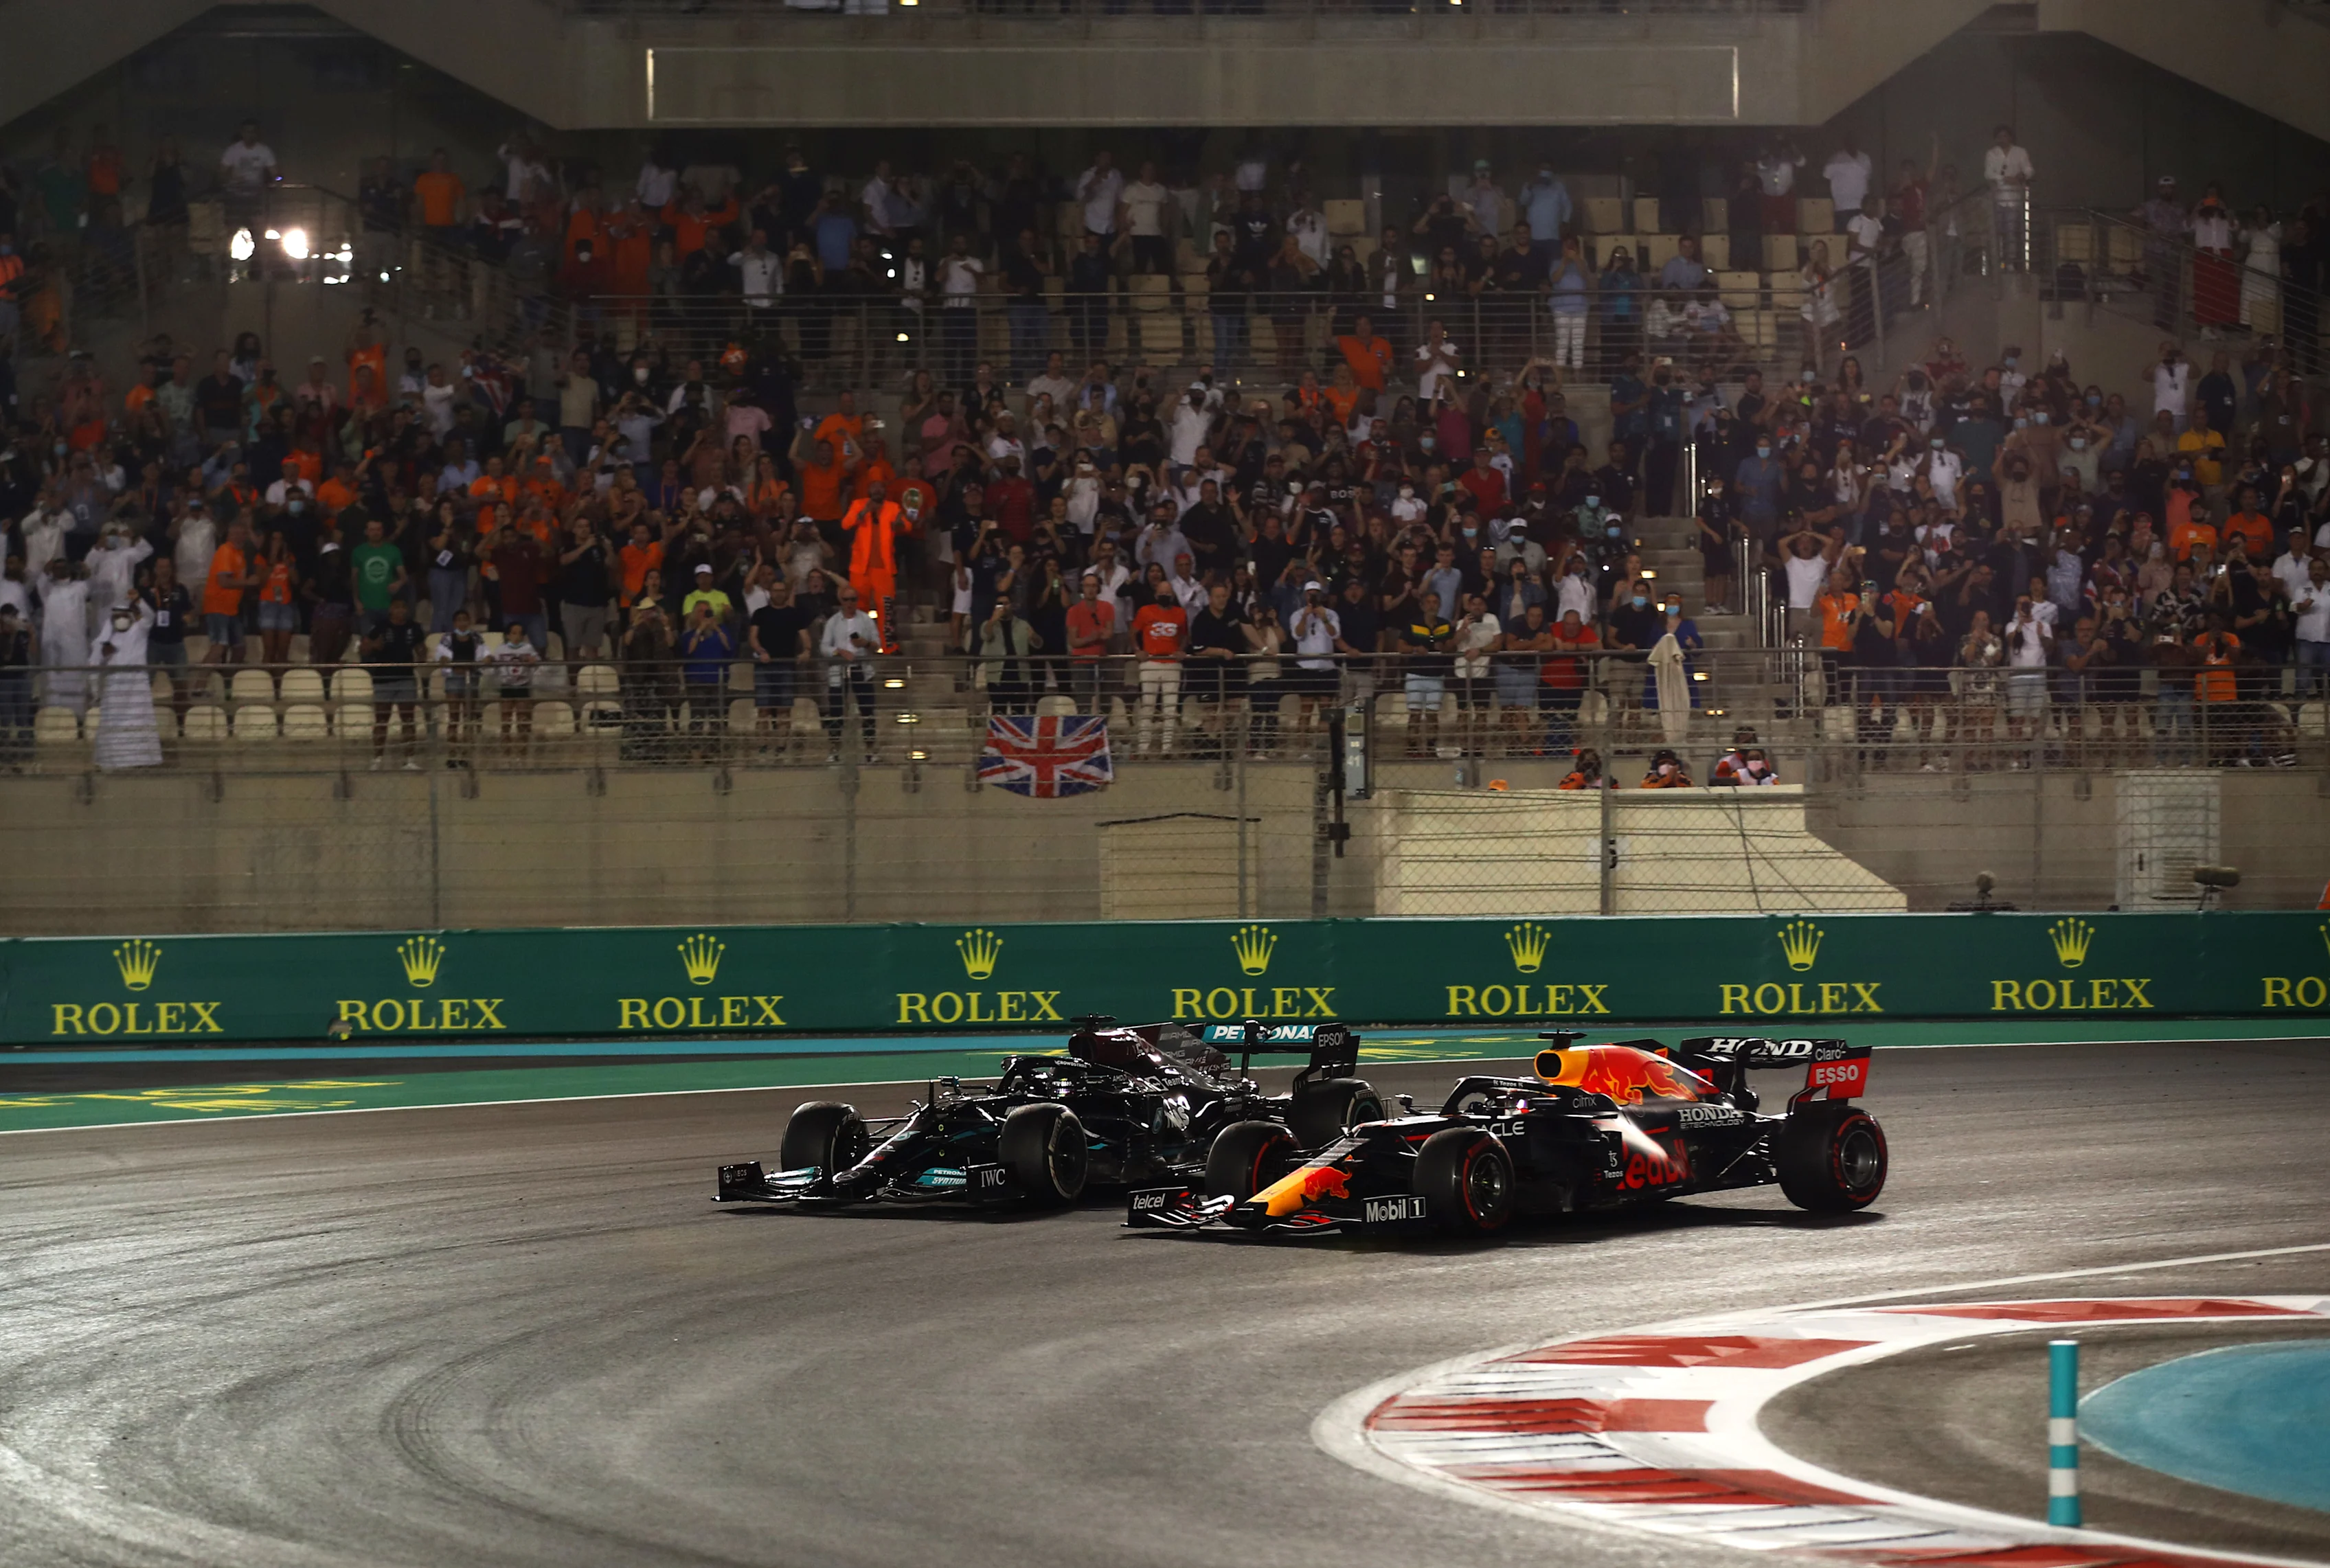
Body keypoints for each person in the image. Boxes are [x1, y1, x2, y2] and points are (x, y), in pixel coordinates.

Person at [89, 598, 161, 771]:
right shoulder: (104, 639)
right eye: (117, 616)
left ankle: (141, 761)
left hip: (136, 687)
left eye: (124, 615)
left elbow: (151, 616)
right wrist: (104, 652)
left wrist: (139, 600)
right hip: (115, 688)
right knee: (114, 725)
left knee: (138, 722)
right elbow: (93, 664)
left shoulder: (139, 630)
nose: (121, 619)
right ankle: (113, 762)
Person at [819, 582, 881, 762]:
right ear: (841, 601)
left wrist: (866, 644)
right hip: (839, 670)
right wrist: (839, 652)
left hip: (861, 669)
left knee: (867, 710)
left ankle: (870, 749)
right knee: (836, 710)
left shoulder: (866, 620)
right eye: (846, 600)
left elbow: (877, 645)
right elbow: (824, 646)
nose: (850, 603)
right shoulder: (833, 621)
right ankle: (834, 749)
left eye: (853, 599)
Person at [363, 597, 427, 769]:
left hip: (406, 679)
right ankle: (377, 760)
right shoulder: (380, 627)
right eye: (397, 607)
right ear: (391, 609)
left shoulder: (414, 627)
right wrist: (373, 646)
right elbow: (364, 648)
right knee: (381, 720)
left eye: (403, 607)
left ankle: (410, 760)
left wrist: (422, 655)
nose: (400, 610)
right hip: (383, 680)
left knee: (408, 719)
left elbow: (421, 647)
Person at [1131, 582, 1187, 755]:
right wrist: (1137, 650)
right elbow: (1132, 633)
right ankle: (1143, 749)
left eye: (1168, 593)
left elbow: (1185, 636)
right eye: (1162, 593)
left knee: (1170, 710)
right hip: (1150, 663)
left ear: (1172, 595)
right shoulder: (1145, 611)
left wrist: (1181, 650)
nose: (1165, 595)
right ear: (1156, 595)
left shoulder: (1180, 613)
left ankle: (1167, 749)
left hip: (1172, 664)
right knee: (1148, 706)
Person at [488, 619, 542, 753]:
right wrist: (489, 660)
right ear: (508, 635)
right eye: (514, 633)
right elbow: (493, 663)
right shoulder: (501, 649)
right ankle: (506, 749)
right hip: (507, 686)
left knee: (523, 720)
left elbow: (537, 661)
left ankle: (523, 750)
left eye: (520, 634)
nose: (517, 636)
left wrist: (532, 660)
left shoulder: (528, 648)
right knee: (506, 719)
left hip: (522, 685)